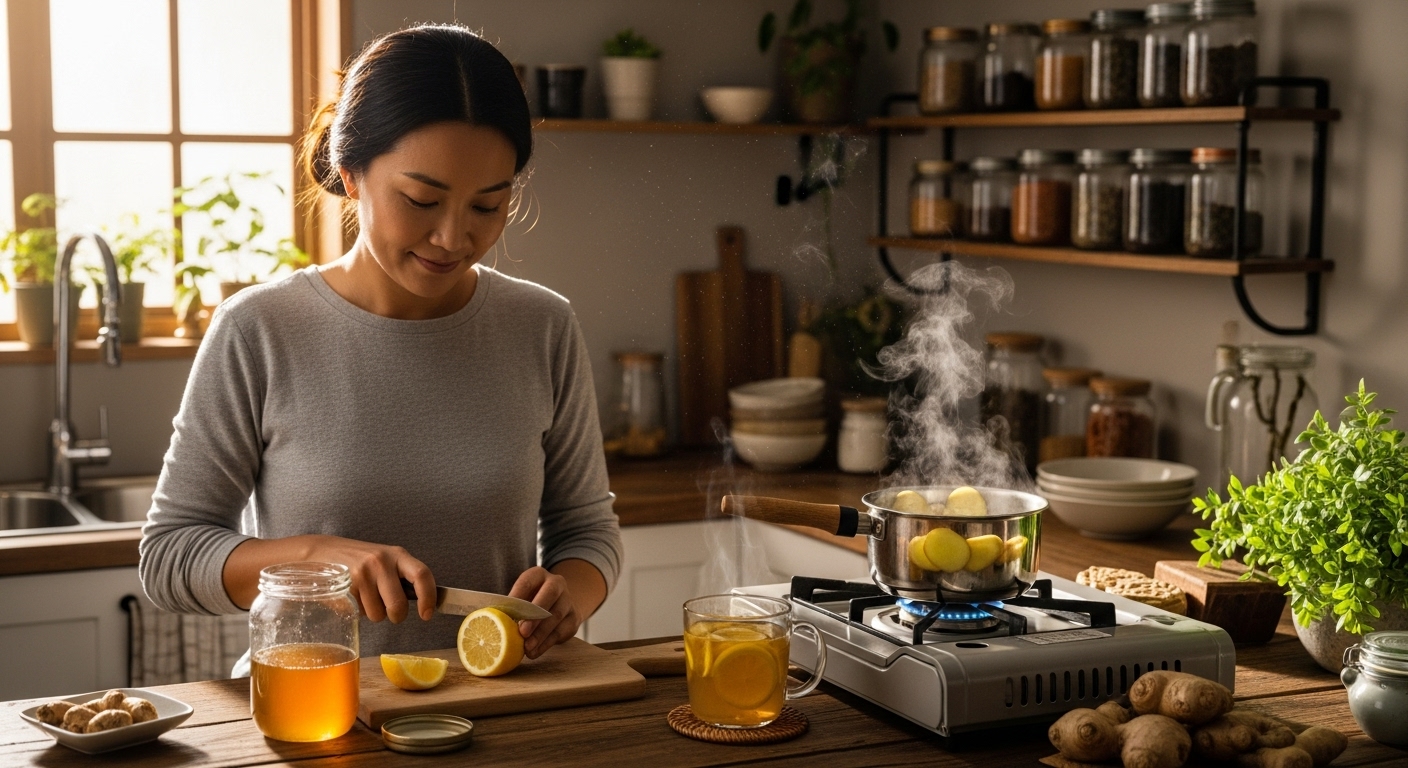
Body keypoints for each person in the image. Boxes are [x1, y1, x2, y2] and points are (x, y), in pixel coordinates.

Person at [139, 24, 622, 664]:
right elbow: (169, 556)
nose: (453, 237)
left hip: (500, 701)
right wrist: (314, 558)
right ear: (351, 174)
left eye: (487, 206)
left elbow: (587, 531)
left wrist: (571, 594)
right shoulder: (258, 329)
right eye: (421, 199)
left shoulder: (543, 326)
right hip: (315, 704)